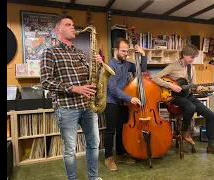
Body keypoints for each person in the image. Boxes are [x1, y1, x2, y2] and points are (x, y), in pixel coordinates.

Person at [40, 14, 103, 180]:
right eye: (68, 24)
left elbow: (91, 77)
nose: (73, 27)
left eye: (73, 24)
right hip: (66, 108)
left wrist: (99, 65)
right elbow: (46, 82)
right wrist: (74, 88)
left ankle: (93, 177)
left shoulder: (81, 53)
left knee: (94, 144)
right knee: (70, 150)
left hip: (87, 106)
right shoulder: (49, 52)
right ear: (58, 30)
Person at [151, 45, 214, 156]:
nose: (193, 60)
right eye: (191, 57)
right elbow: (155, 78)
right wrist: (170, 85)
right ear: (184, 55)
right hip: (176, 97)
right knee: (191, 108)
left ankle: (211, 146)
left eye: (194, 57)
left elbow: (192, 85)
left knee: (211, 116)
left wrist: (198, 88)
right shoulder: (173, 66)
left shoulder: (191, 68)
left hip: (188, 96)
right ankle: (185, 132)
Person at [104, 38, 147, 170]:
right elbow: (113, 89)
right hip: (111, 102)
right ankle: (108, 158)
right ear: (115, 50)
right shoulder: (110, 66)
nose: (126, 53)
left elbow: (142, 69)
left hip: (123, 102)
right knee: (110, 131)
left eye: (127, 51)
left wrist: (143, 55)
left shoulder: (127, 64)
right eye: (123, 51)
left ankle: (121, 154)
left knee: (122, 129)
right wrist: (130, 98)